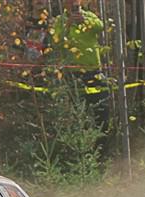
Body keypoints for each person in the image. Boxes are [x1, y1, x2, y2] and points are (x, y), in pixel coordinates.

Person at [47, 0, 109, 131]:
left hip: (94, 71)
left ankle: (102, 145)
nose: (74, 6)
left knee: (102, 110)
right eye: (70, 3)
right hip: (73, 74)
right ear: (65, 4)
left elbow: (100, 26)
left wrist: (85, 20)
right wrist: (68, 25)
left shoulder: (89, 15)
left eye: (76, 3)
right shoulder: (59, 20)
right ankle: (82, 144)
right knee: (78, 112)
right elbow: (55, 42)